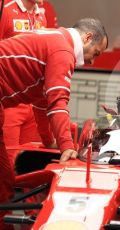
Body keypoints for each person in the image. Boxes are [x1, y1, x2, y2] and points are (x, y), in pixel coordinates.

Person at [0, 18, 108, 229]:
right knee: (3, 180)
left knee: (4, 180)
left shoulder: (55, 40)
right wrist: (67, 147)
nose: (93, 62)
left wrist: (50, 141)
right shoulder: (63, 51)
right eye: (95, 53)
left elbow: (42, 103)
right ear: (87, 38)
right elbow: (58, 103)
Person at [0, 0, 51, 168]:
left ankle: (28, 195)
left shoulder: (41, 14)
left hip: (33, 105)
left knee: (29, 163)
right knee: (7, 160)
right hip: (10, 102)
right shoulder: (5, 10)